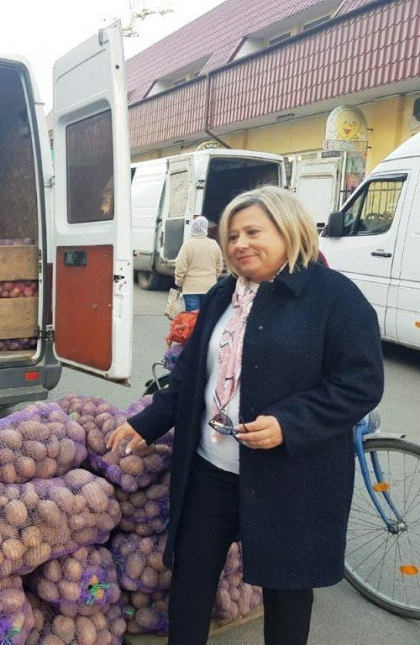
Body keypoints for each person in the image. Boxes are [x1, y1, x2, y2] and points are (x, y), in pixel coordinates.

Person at [108, 186, 384, 645]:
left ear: (289, 229)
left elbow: (361, 382)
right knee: (191, 577)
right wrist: (149, 421)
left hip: (291, 477)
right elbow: (190, 375)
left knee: (287, 592)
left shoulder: (335, 297)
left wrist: (290, 423)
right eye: (232, 236)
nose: (240, 244)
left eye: (253, 232)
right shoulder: (223, 295)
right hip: (211, 468)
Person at [174, 216, 222, 311]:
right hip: (209, 287)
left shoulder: (187, 244)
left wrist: (179, 282)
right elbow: (219, 266)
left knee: (192, 317)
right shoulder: (214, 244)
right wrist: (213, 278)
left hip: (191, 289)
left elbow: (180, 266)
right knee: (206, 315)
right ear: (205, 228)